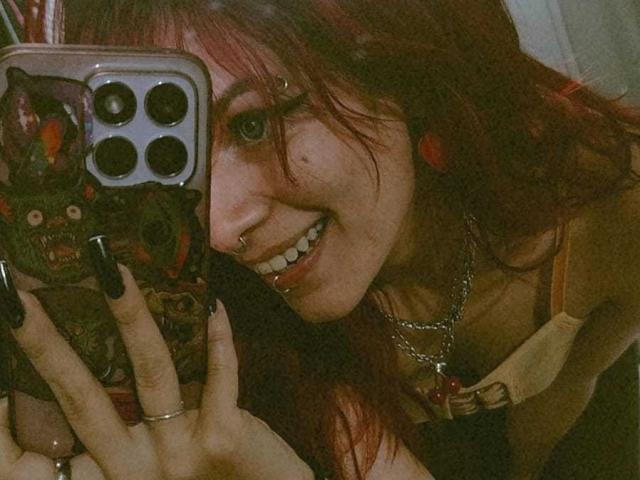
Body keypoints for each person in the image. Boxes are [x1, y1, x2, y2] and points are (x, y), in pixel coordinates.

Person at [1, 0, 639, 478]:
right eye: (180, 165)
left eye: (254, 124)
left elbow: (568, 395)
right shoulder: (248, 333)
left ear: (402, 65)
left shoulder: (611, 211)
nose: (219, 230)